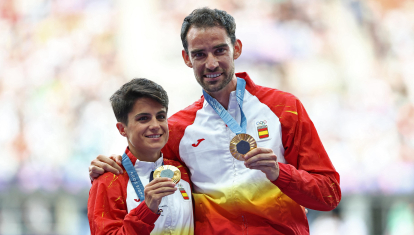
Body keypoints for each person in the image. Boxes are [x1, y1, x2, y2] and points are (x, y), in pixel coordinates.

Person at [89, 7, 341, 235]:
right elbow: (141, 164)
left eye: (220, 50)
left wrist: (280, 173)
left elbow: (329, 195)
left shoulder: (284, 108)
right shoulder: (178, 128)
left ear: (237, 48)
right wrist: (108, 168)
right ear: (187, 58)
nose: (211, 63)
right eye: (199, 54)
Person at [87, 78, 194, 235]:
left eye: (161, 116)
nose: (155, 125)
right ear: (122, 129)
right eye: (143, 118)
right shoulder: (108, 181)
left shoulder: (182, 169)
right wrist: (146, 211)